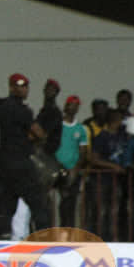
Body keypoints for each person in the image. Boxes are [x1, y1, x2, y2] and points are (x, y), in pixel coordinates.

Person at [0, 73, 49, 238]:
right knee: (38, 202)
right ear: (12, 87)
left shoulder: (2, 107)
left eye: (25, 86)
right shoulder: (22, 109)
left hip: (4, 163)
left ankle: (3, 239)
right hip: (21, 163)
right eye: (20, 86)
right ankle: (44, 237)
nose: (24, 89)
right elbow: (38, 134)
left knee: (6, 205)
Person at [89, 109, 127, 241]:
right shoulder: (101, 137)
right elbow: (94, 159)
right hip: (102, 179)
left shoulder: (122, 137)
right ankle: (99, 237)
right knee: (101, 210)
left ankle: (113, 238)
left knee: (115, 210)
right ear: (114, 120)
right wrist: (113, 166)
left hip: (117, 180)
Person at [54, 95, 88, 227]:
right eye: (70, 104)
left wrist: (75, 169)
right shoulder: (58, 125)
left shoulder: (81, 129)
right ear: (65, 106)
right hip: (56, 170)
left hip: (73, 172)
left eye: (76, 105)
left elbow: (83, 152)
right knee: (56, 202)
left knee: (70, 204)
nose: (72, 107)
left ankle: (69, 232)